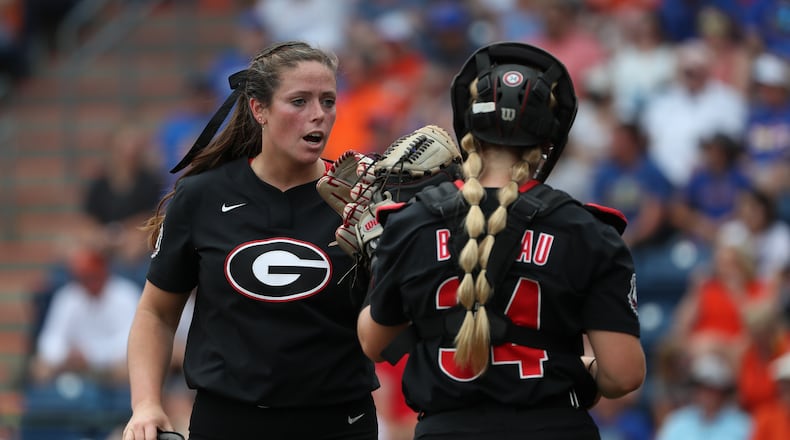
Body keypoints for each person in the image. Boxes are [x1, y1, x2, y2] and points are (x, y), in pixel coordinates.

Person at [356, 41, 646, 439]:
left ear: (469, 131)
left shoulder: (412, 222)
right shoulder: (588, 231)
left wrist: (380, 264)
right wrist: (577, 369)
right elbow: (624, 376)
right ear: (548, 141)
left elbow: (373, 342)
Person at [123, 41, 378, 440]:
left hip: (338, 421)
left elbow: (392, 320)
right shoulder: (202, 196)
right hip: (228, 422)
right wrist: (146, 404)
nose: (318, 115)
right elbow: (156, 313)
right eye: (299, 101)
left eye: (328, 101)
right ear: (259, 109)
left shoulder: (363, 198)